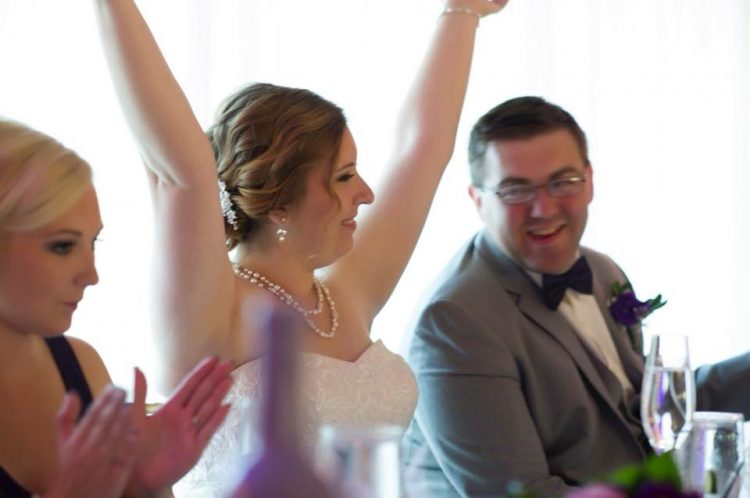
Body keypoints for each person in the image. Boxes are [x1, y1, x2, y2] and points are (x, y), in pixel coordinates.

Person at [92, 0, 510, 495]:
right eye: (344, 176)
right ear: (280, 203)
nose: (367, 194)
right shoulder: (215, 315)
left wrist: (462, 13)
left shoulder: (346, 293)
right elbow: (178, 171)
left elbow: (422, 148)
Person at [401, 96, 750, 497]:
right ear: (478, 199)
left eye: (562, 182)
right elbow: (519, 493)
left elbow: (649, 411)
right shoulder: (453, 322)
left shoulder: (602, 271)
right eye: (515, 190)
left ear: (589, 181)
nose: (543, 209)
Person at [0, 119, 234, 498]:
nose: (90, 275)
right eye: (62, 246)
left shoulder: (80, 362)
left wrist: (147, 486)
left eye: (93, 243)